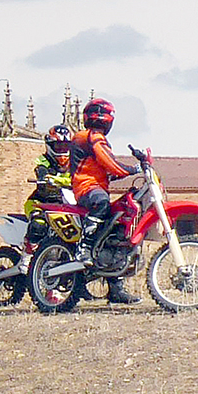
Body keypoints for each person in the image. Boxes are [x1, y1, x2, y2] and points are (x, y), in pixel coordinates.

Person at [69, 98, 139, 305]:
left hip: (96, 188)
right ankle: (84, 247)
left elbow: (104, 167)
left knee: (115, 230)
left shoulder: (91, 138)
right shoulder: (90, 137)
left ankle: (115, 288)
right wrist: (134, 169)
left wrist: (121, 173)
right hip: (87, 189)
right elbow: (110, 163)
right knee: (101, 204)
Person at [25, 125, 75, 212]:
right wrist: (44, 177)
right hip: (42, 202)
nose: (62, 150)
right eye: (59, 147)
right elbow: (42, 171)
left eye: (66, 147)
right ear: (50, 146)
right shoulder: (44, 161)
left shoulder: (76, 163)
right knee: (38, 223)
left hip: (69, 203)